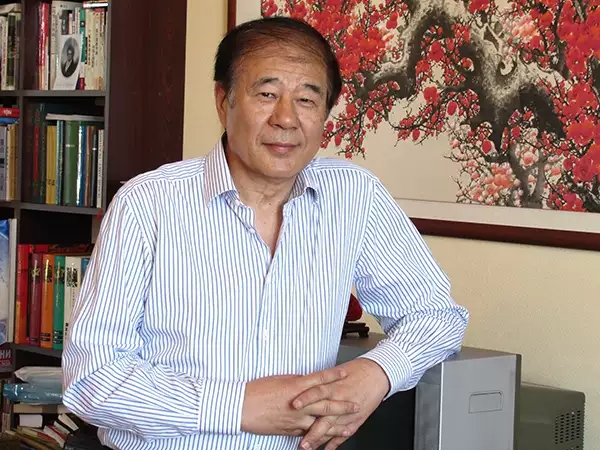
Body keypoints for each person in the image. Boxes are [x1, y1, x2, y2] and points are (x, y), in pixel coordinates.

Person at [61, 16, 469, 450]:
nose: (286, 118)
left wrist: (377, 374)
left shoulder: (354, 196)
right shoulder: (148, 204)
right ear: (224, 101)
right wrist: (237, 406)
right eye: (267, 94)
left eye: (307, 99)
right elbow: (91, 379)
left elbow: (437, 316)